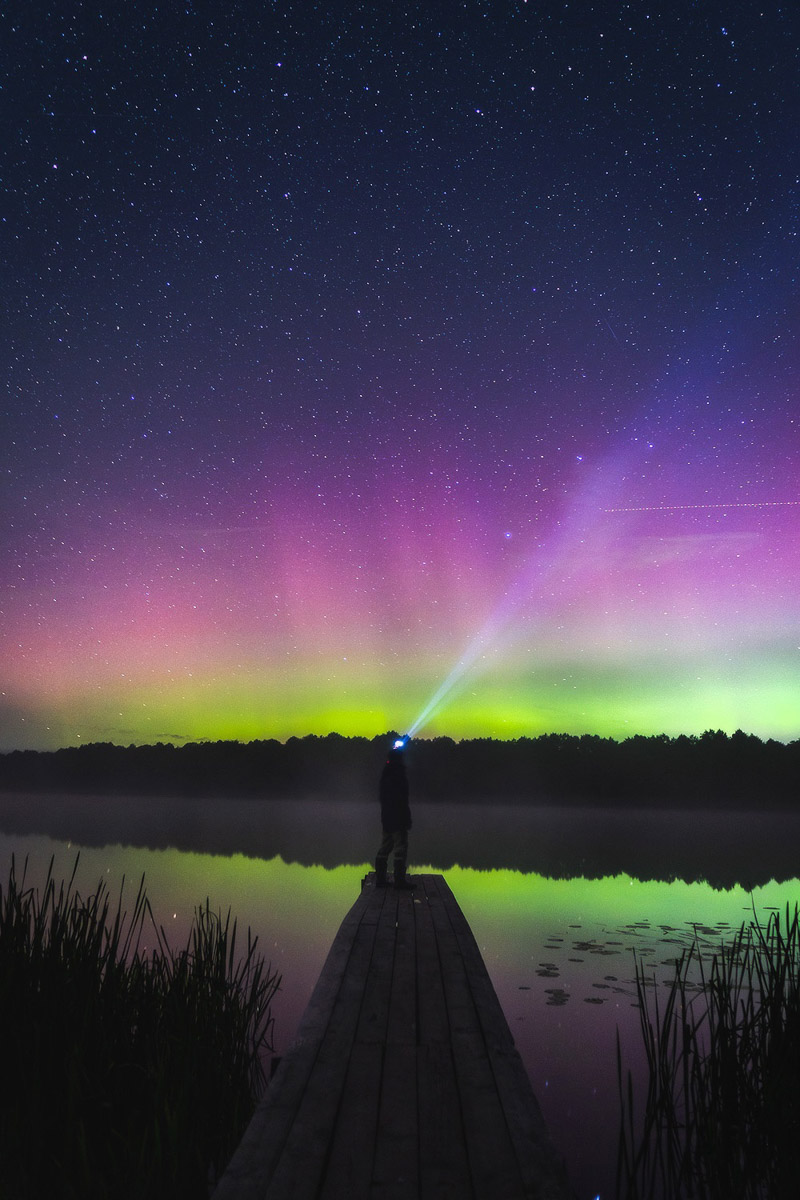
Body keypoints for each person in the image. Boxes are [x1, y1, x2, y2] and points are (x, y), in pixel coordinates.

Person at [374, 739, 415, 890]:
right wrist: (406, 818)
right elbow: (402, 798)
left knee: (385, 847)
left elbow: (384, 796)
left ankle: (380, 880)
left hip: (387, 817)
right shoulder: (398, 773)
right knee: (400, 848)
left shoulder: (386, 772)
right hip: (398, 818)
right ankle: (399, 882)